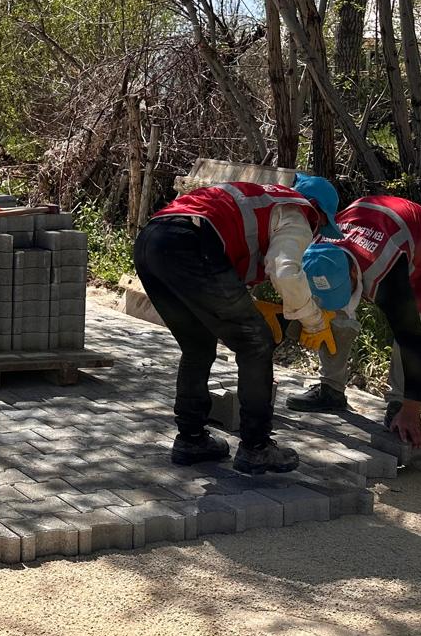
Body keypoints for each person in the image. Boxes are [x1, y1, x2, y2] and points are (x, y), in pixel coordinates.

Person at [132, 173, 342, 475]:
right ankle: (256, 448)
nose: (318, 231)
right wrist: (313, 320)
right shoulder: (299, 212)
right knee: (256, 344)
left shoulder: (263, 199)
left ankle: (191, 439)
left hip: (153, 242)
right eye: (322, 225)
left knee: (198, 344)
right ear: (318, 211)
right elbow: (284, 270)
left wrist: (252, 306)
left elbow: (227, 249)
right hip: (190, 243)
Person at [288, 195, 421, 450]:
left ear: (353, 272)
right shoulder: (316, 253)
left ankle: (399, 403)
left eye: (343, 288)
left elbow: (413, 341)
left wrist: (413, 408)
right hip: (366, 220)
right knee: (334, 312)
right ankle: (331, 390)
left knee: (412, 322)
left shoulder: (388, 275)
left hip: (419, 233)